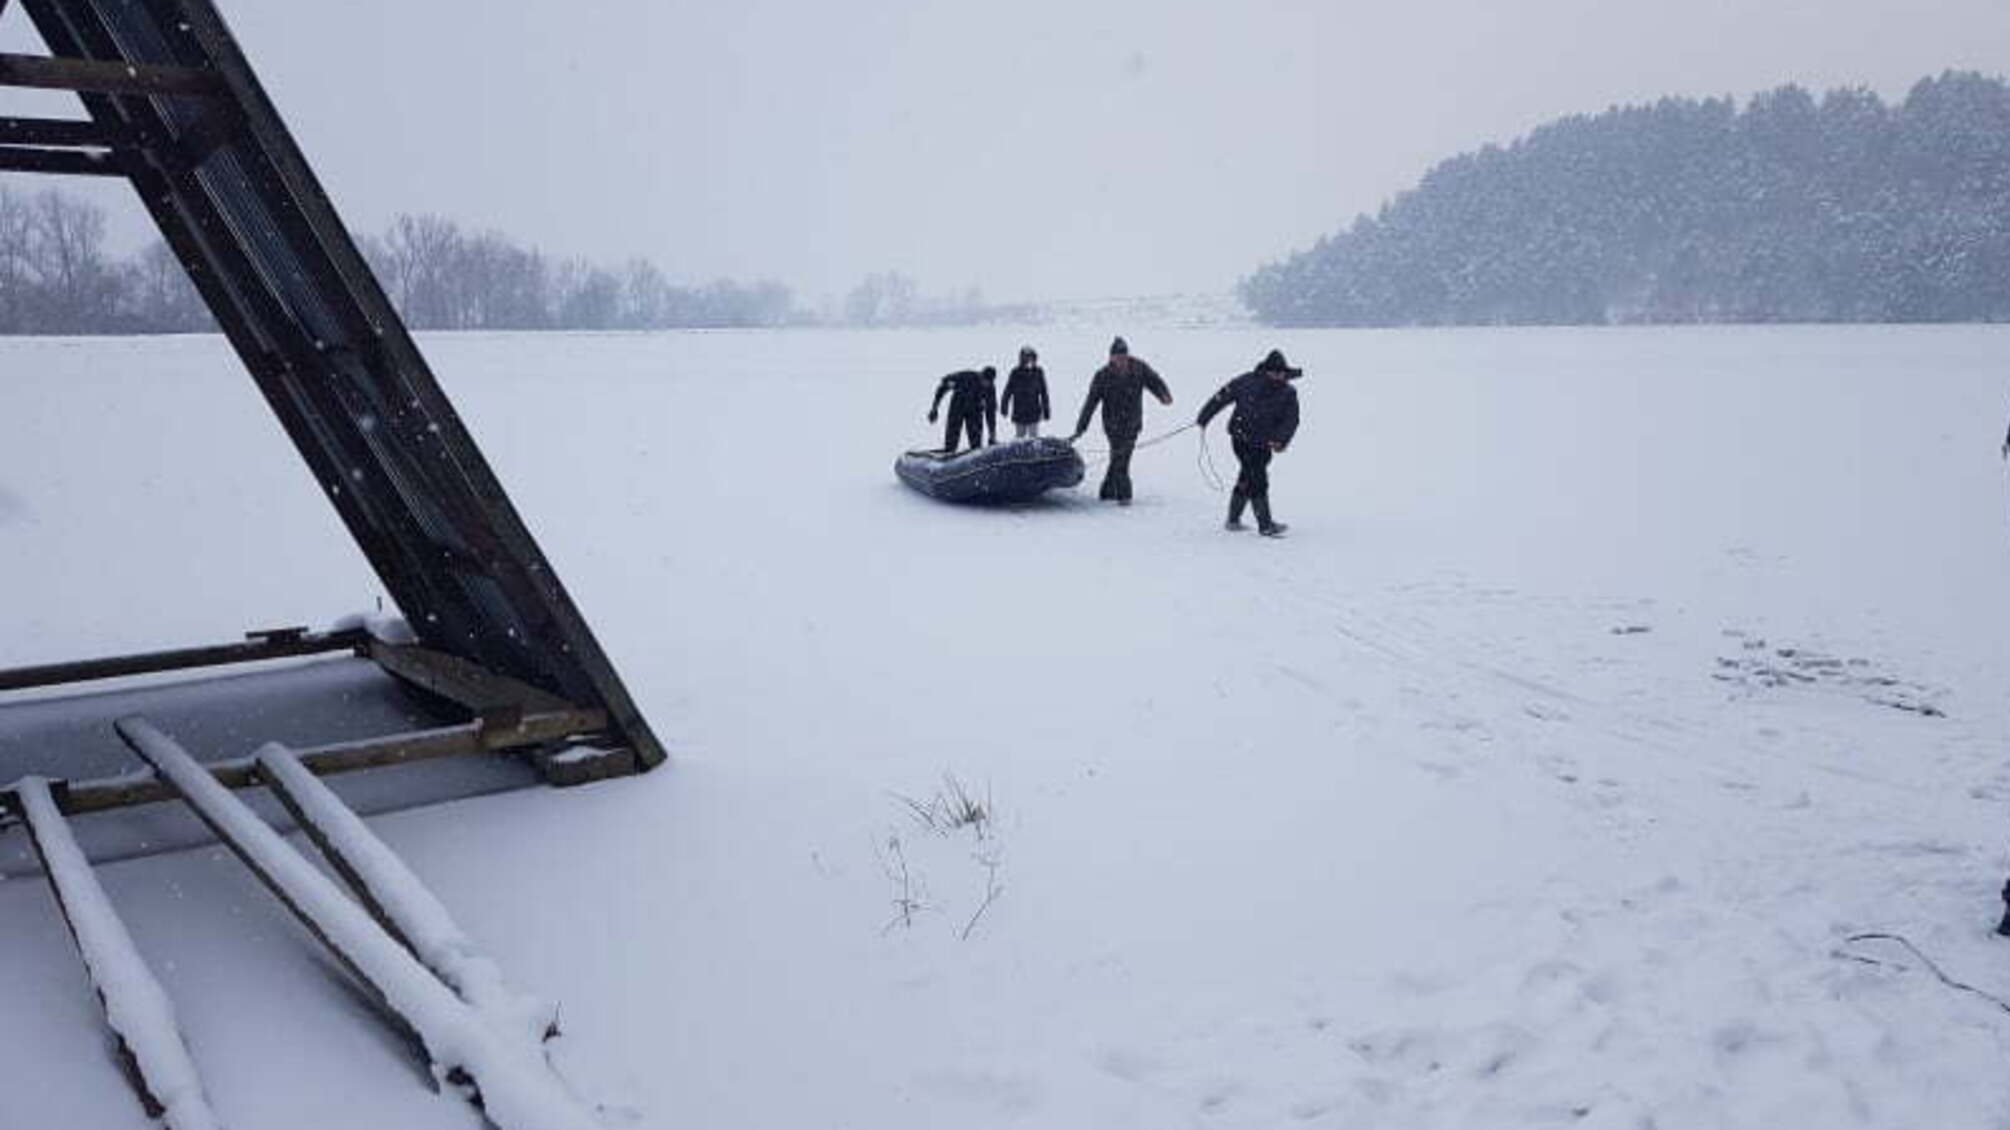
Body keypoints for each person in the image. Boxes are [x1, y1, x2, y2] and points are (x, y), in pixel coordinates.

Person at [1196, 348, 1301, 537]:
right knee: (1257, 478)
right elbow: (1221, 397)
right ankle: (1265, 525)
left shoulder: (1288, 393)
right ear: (1265, 370)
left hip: (1265, 443)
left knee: (1247, 476)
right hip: (1241, 438)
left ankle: (1233, 520)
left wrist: (1281, 440)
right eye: (1273, 371)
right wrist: (1204, 416)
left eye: (1280, 372)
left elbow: (1291, 420)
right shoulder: (1246, 382)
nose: (1277, 375)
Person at [1070, 336, 1172, 504]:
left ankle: (1107, 491)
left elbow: (1154, 381)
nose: (1121, 361)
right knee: (1121, 457)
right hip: (1112, 425)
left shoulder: (1139, 368)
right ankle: (1125, 496)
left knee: (1120, 457)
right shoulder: (1102, 375)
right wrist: (1081, 428)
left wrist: (1164, 395)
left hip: (1133, 423)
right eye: (1117, 357)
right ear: (1110, 357)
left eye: (1123, 357)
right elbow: (1091, 403)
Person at [927, 366, 997, 454]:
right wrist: (935, 408)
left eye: (988, 382)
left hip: (975, 411)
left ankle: (975, 453)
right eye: (984, 380)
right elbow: (943, 387)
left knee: (976, 442)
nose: (985, 383)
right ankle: (949, 451)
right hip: (958, 407)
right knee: (951, 439)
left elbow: (991, 412)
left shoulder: (990, 389)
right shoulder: (965, 377)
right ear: (981, 375)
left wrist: (992, 435)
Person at [1000, 346, 1050, 439]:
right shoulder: (1015, 373)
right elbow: (1008, 391)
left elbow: (1044, 392)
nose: (1029, 362)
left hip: (1034, 411)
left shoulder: (1038, 372)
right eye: (1027, 359)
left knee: (1033, 437)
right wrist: (1004, 407)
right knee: (1020, 437)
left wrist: (1046, 410)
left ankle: (1033, 453)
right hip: (1019, 411)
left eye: (1032, 359)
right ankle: (1018, 453)